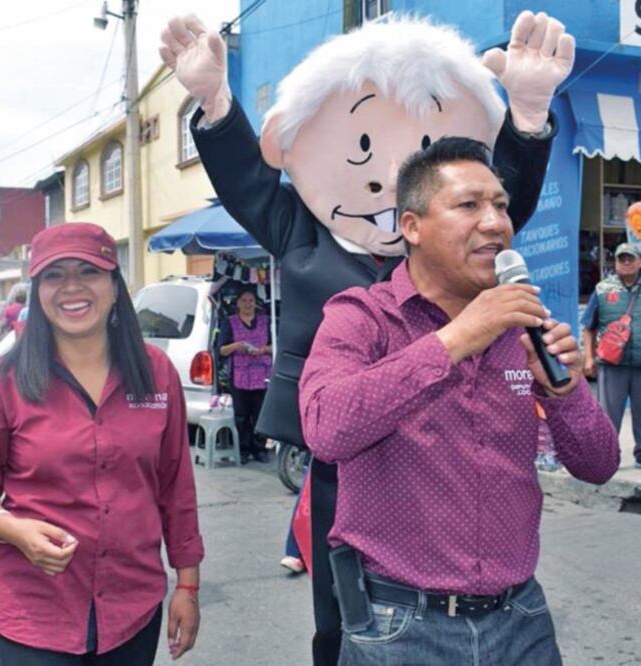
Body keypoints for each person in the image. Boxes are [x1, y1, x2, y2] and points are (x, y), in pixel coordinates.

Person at [161, 12, 572, 664]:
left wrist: (526, 116)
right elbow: (248, 186)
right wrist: (215, 103)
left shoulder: (455, 242)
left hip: (448, 440)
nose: (389, 173)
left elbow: (502, 206)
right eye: (361, 147)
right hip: (342, 441)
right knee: (341, 603)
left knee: (447, 564)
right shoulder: (303, 234)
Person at [299, 137, 620, 665]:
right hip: (400, 627)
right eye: (469, 205)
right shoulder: (363, 317)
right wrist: (456, 339)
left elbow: (600, 465)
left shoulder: (523, 325)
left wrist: (565, 393)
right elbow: (325, 428)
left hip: (521, 620)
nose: (495, 223)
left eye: (501, 206)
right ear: (412, 226)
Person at [0, 223, 204, 665]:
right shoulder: (2, 381)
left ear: (115, 286)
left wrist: (188, 585)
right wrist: (11, 528)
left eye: (89, 272)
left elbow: (176, 485)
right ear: (37, 290)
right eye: (54, 275)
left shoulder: (156, 372)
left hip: (133, 609)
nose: (71, 287)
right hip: (36, 614)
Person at [581, 243, 641, 466]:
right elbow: (588, 327)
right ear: (615, 263)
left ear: (640, 262)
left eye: (631, 258)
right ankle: (607, 456)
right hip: (611, 365)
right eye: (622, 259)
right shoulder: (602, 289)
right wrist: (588, 358)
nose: (626, 263)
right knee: (608, 415)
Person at [218, 288, 273, 463]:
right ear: (238, 303)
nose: (248, 304)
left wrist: (263, 350)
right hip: (240, 376)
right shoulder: (229, 323)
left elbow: (276, 346)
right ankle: (243, 449)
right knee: (241, 415)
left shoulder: (266, 321)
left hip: (262, 375)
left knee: (260, 414)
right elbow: (221, 350)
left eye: (251, 301)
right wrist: (237, 345)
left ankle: (259, 448)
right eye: (244, 301)